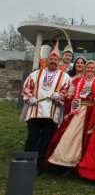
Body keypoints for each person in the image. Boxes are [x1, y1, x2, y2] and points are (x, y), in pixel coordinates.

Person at [21, 42, 71, 174]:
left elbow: (66, 92)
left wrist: (59, 96)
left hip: (51, 114)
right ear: (46, 61)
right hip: (35, 112)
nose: (53, 61)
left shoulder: (64, 76)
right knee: (32, 138)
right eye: (51, 59)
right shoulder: (35, 74)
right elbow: (26, 88)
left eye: (55, 59)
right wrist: (30, 97)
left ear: (59, 62)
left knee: (46, 140)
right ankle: (27, 162)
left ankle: (40, 166)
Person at [45, 60, 95, 171]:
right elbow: (69, 99)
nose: (90, 70)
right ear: (85, 69)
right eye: (88, 68)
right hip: (78, 111)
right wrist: (67, 113)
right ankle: (65, 162)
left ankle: (83, 165)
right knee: (70, 135)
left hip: (92, 111)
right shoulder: (76, 81)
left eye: (92, 68)